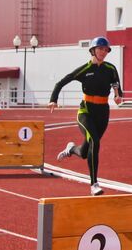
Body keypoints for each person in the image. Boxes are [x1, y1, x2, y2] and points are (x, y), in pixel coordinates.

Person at [48, 36, 123, 196]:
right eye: (100, 49)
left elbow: (117, 87)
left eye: (106, 50)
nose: (103, 52)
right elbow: (61, 82)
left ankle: (71, 149)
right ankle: (94, 184)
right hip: (86, 112)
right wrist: (53, 99)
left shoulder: (111, 68)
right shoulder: (85, 69)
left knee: (84, 152)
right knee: (95, 141)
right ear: (93, 50)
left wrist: (118, 96)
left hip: (103, 112)